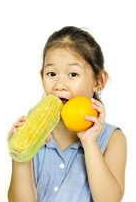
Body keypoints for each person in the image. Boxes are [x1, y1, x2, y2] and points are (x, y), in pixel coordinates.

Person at [7, 26, 127, 202]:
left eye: (73, 74)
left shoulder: (113, 139)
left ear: (98, 81)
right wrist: (21, 155)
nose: (59, 85)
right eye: (52, 73)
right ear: (42, 78)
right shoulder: (36, 136)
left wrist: (89, 142)